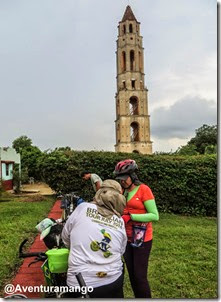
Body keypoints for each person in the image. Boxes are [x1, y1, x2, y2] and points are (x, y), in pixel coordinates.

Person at [61, 180, 127, 298]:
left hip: (80, 283)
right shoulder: (119, 220)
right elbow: (121, 250)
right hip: (113, 280)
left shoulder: (82, 208)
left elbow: (65, 237)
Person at [114, 159, 159, 298]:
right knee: (132, 275)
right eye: (120, 179)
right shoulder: (123, 191)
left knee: (140, 276)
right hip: (126, 238)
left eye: (124, 179)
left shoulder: (144, 190)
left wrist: (131, 216)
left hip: (142, 238)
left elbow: (154, 216)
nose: (122, 182)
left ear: (133, 176)